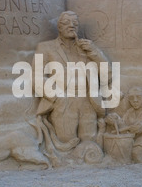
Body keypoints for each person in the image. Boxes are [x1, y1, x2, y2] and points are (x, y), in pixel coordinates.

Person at [33, 11, 110, 158]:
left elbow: (108, 73)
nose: (71, 26)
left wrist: (94, 52)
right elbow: (36, 76)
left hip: (88, 102)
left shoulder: (86, 48)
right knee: (66, 141)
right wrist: (57, 97)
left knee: (90, 142)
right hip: (63, 102)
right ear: (59, 27)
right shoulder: (46, 47)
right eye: (66, 22)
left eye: (75, 23)